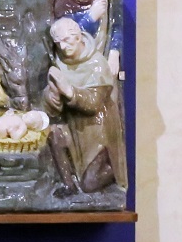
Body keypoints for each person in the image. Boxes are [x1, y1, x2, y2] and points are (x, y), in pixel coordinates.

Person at [44, 17, 128, 195]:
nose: (64, 47)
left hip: (97, 131)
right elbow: (53, 108)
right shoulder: (60, 63)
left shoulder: (97, 64)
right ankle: (69, 185)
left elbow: (93, 104)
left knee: (90, 184)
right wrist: (52, 96)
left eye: (67, 40)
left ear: (78, 37)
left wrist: (69, 91)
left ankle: (112, 169)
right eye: (59, 43)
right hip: (73, 127)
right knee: (55, 135)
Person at [52, 0, 122, 79]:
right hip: (75, 65)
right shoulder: (63, 1)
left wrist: (114, 52)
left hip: (102, 57)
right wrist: (90, 17)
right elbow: (64, 35)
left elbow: (116, 26)